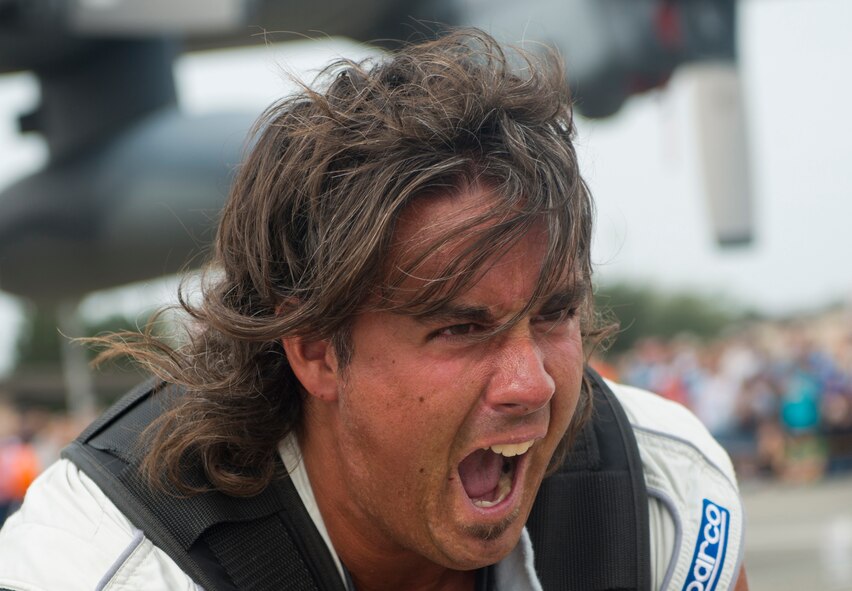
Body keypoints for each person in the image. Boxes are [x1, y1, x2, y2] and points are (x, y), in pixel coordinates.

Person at [0, 29, 748, 590]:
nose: (534, 384)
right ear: (317, 348)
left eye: (552, 314)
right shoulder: (109, 561)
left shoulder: (658, 498)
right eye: (461, 327)